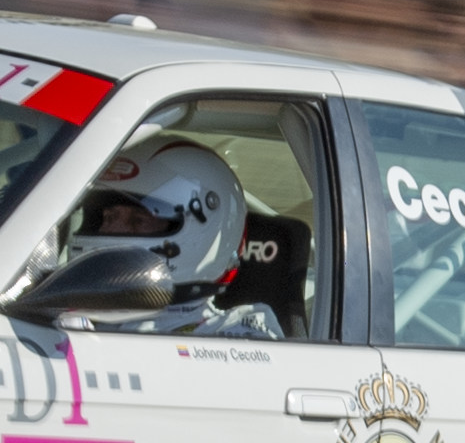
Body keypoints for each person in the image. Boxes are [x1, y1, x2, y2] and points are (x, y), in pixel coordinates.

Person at [26, 137, 283, 336]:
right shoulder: (59, 315)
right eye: (108, 217)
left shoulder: (234, 335)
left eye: (138, 221)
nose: (111, 231)